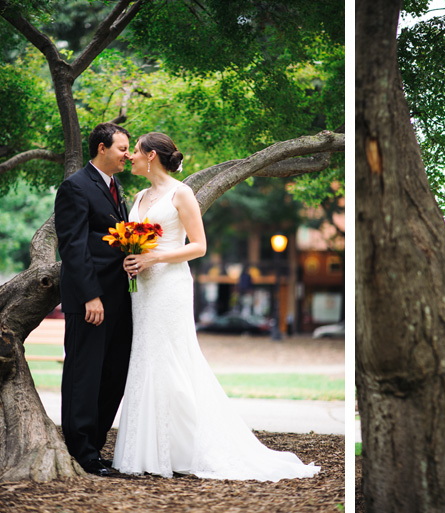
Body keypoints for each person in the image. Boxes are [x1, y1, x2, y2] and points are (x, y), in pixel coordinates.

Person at [112, 132, 319, 481]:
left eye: (135, 151)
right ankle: (147, 449)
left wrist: (156, 257)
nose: (130, 156)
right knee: (146, 357)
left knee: (173, 360)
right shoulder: (139, 196)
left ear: (150, 155)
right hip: (143, 288)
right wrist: (132, 260)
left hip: (169, 286)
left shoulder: (181, 193)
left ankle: (184, 448)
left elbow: (200, 246)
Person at [54, 123, 133, 476]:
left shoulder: (118, 189)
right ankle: (80, 451)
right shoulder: (75, 186)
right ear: (102, 148)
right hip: (91, 300)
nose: (127, 155)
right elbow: (73, 246)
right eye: (122, 149)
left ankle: (95, 448)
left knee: (114, 373)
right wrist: (91, 297)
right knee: (84, 374)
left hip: (121, 299)